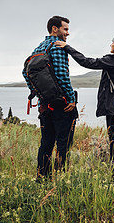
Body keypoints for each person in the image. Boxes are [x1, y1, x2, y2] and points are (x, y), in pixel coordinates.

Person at [55, 17, 114, 174]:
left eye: (113, 42)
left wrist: (67, 47)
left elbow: (86, 62)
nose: (111, 45)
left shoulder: (110, 61)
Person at [23, 15, 78, 180]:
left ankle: (42, 179)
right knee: (63, 144)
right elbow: (62, 76)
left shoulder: (39, 47)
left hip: (45, 105)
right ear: (55, 29)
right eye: (65, 29)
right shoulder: (58, 46)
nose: (67, 33)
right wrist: (70, 99)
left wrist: (39, 94)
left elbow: (26, 72)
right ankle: (60, 181)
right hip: (62, 105)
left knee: (46, 144)